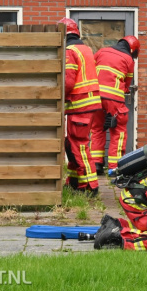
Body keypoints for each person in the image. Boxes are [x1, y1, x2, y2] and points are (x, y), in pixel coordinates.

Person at [60, 17, 102, 195]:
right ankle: (74, 181)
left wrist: (59, 97)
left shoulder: (70, 50)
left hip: (79, 105)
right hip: (88, 104)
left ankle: (90, 186)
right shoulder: (85, 48)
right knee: (73, 144)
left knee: (78, 145)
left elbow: (68, 81)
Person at [89, 36, 140, 174]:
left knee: (97, 129)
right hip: (114, 100)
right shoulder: (128, 59)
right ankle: (114, 167)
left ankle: (96, 164)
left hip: (96, 96)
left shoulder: (101, 51)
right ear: (132, 49)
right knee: (118, 131)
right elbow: (127, 83)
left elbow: (90, 69)